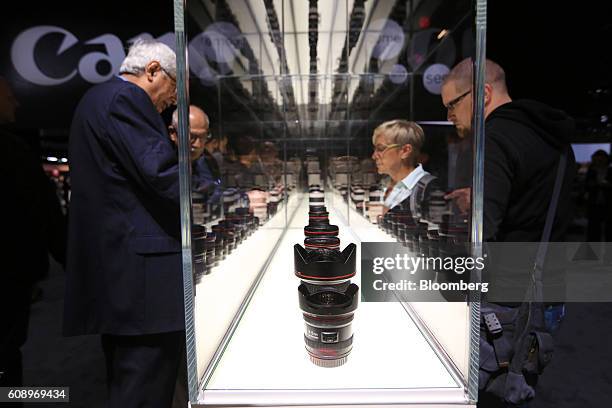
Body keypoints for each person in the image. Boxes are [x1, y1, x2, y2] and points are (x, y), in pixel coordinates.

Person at [63, 39, 200, 408]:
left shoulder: (97, 100)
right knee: (145, 390)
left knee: (131, 384)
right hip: (143, 285)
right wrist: (209, 189)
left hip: (122, 276)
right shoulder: (125, 100)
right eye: (174, 90)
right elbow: (163, 174)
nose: (172, 102)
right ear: (153, 70)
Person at [441, 58, 577, 406]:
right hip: (547, 290)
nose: (449, 116)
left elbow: (482, 237)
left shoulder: (495, 138)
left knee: (490, 392)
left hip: (507, 300)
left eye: (453, 104)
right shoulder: (554, 137)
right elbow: (537, 200)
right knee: (520, 384)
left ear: (483, 93)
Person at [0, 77, 66, 406]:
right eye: (9, 95)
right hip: (9, 277)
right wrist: (70, 257)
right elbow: (44, 212)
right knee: (7, 359)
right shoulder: (12, 151)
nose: (17, 102)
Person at [371, 119, 432, 213]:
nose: (374, 156)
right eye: (375, 149)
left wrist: (388, 215)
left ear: (405, 151)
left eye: (381, 149)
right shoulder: (385, 183)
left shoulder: (429, 188)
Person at [585, 149, 612, 241]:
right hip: (594, 203)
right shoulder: (591, 171)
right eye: (597, 159)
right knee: (593, 230)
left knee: (609, 230)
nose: (599, 161)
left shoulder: (610, 171)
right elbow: (586, 185)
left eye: (601, 159)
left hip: (608, 203)